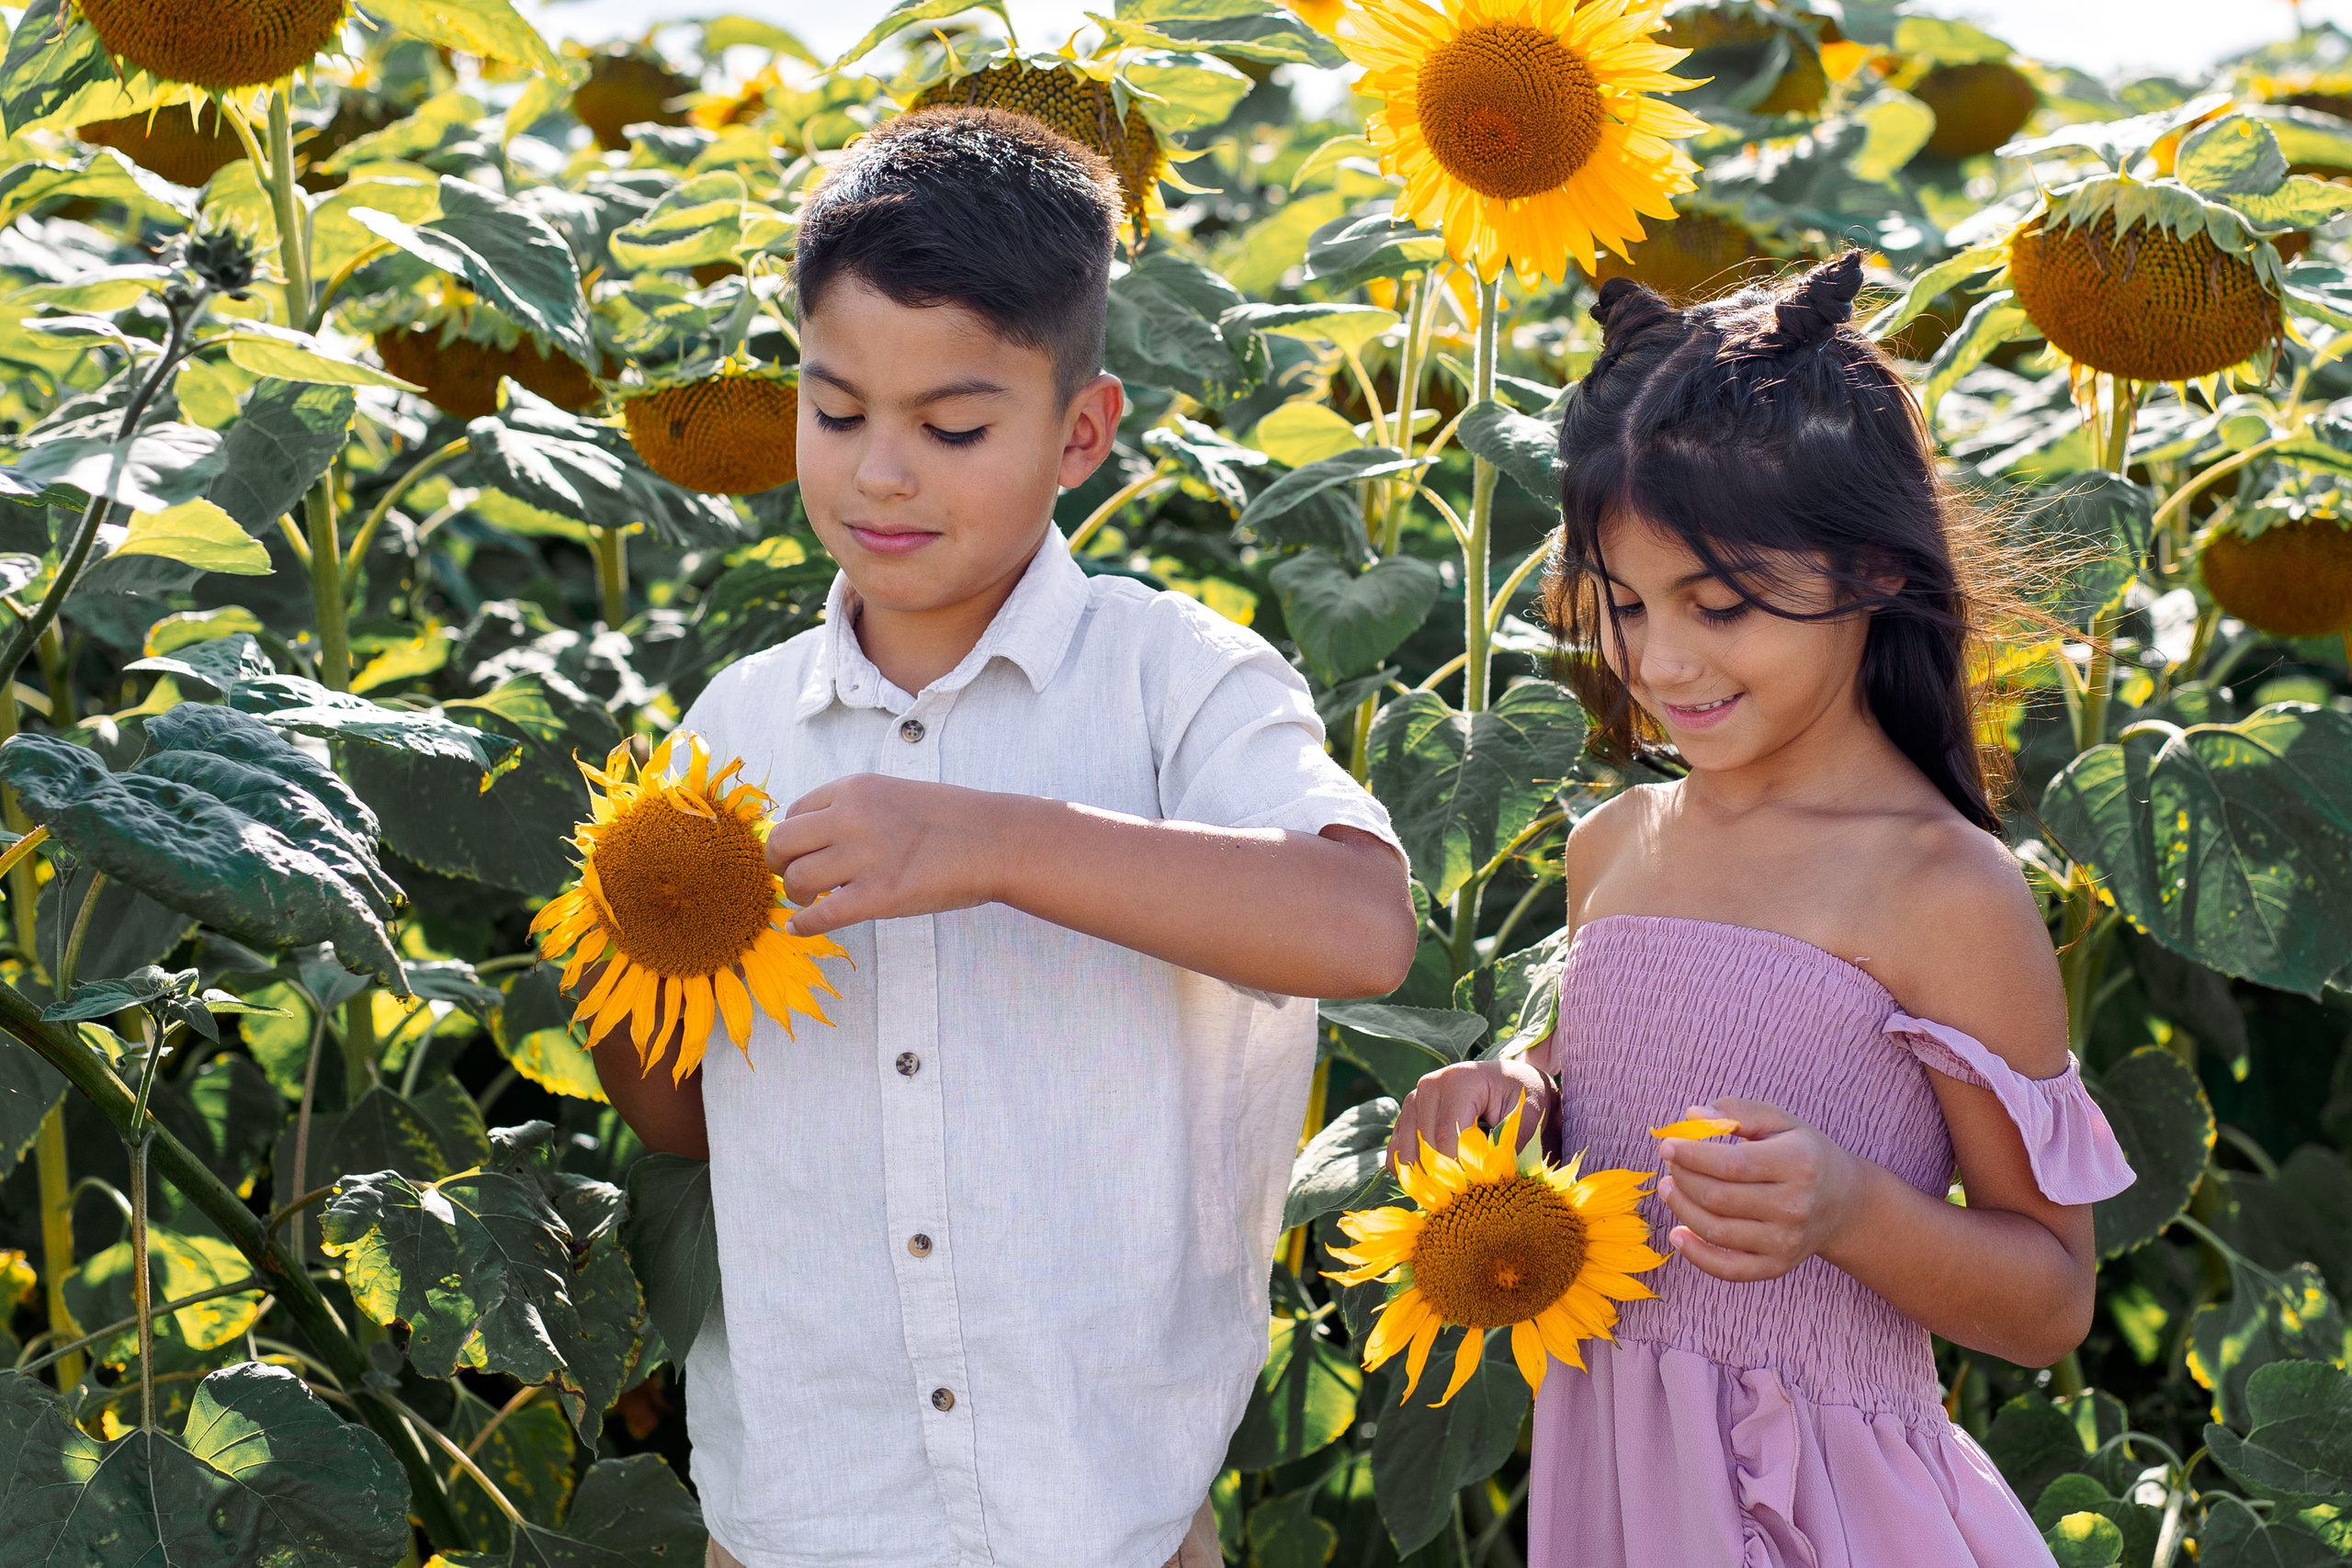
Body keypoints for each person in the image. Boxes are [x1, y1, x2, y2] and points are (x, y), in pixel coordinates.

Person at [585, 107, 1418, 1568]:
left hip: (1108, 1517)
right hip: (800, 1516)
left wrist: (990, 845)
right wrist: (631, 946)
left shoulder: (1177, 682)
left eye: (952, 427)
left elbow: (1358, 927)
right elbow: (683, 1120)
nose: (880, 473)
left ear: (1079, 432)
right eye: (836, 412)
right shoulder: (738, 722)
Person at [1385, 251, 2136, 1568]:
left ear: (1878, 570)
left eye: (1720, 605)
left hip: (1829, 1510)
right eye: (1621, 606)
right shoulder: (1614, 845)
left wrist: (1852, 1210)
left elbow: (2050, 1302)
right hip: (1614, 1482)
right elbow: (1613, 1107)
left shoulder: (1942, 889)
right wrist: (1505, 1097)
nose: (1660, 662)